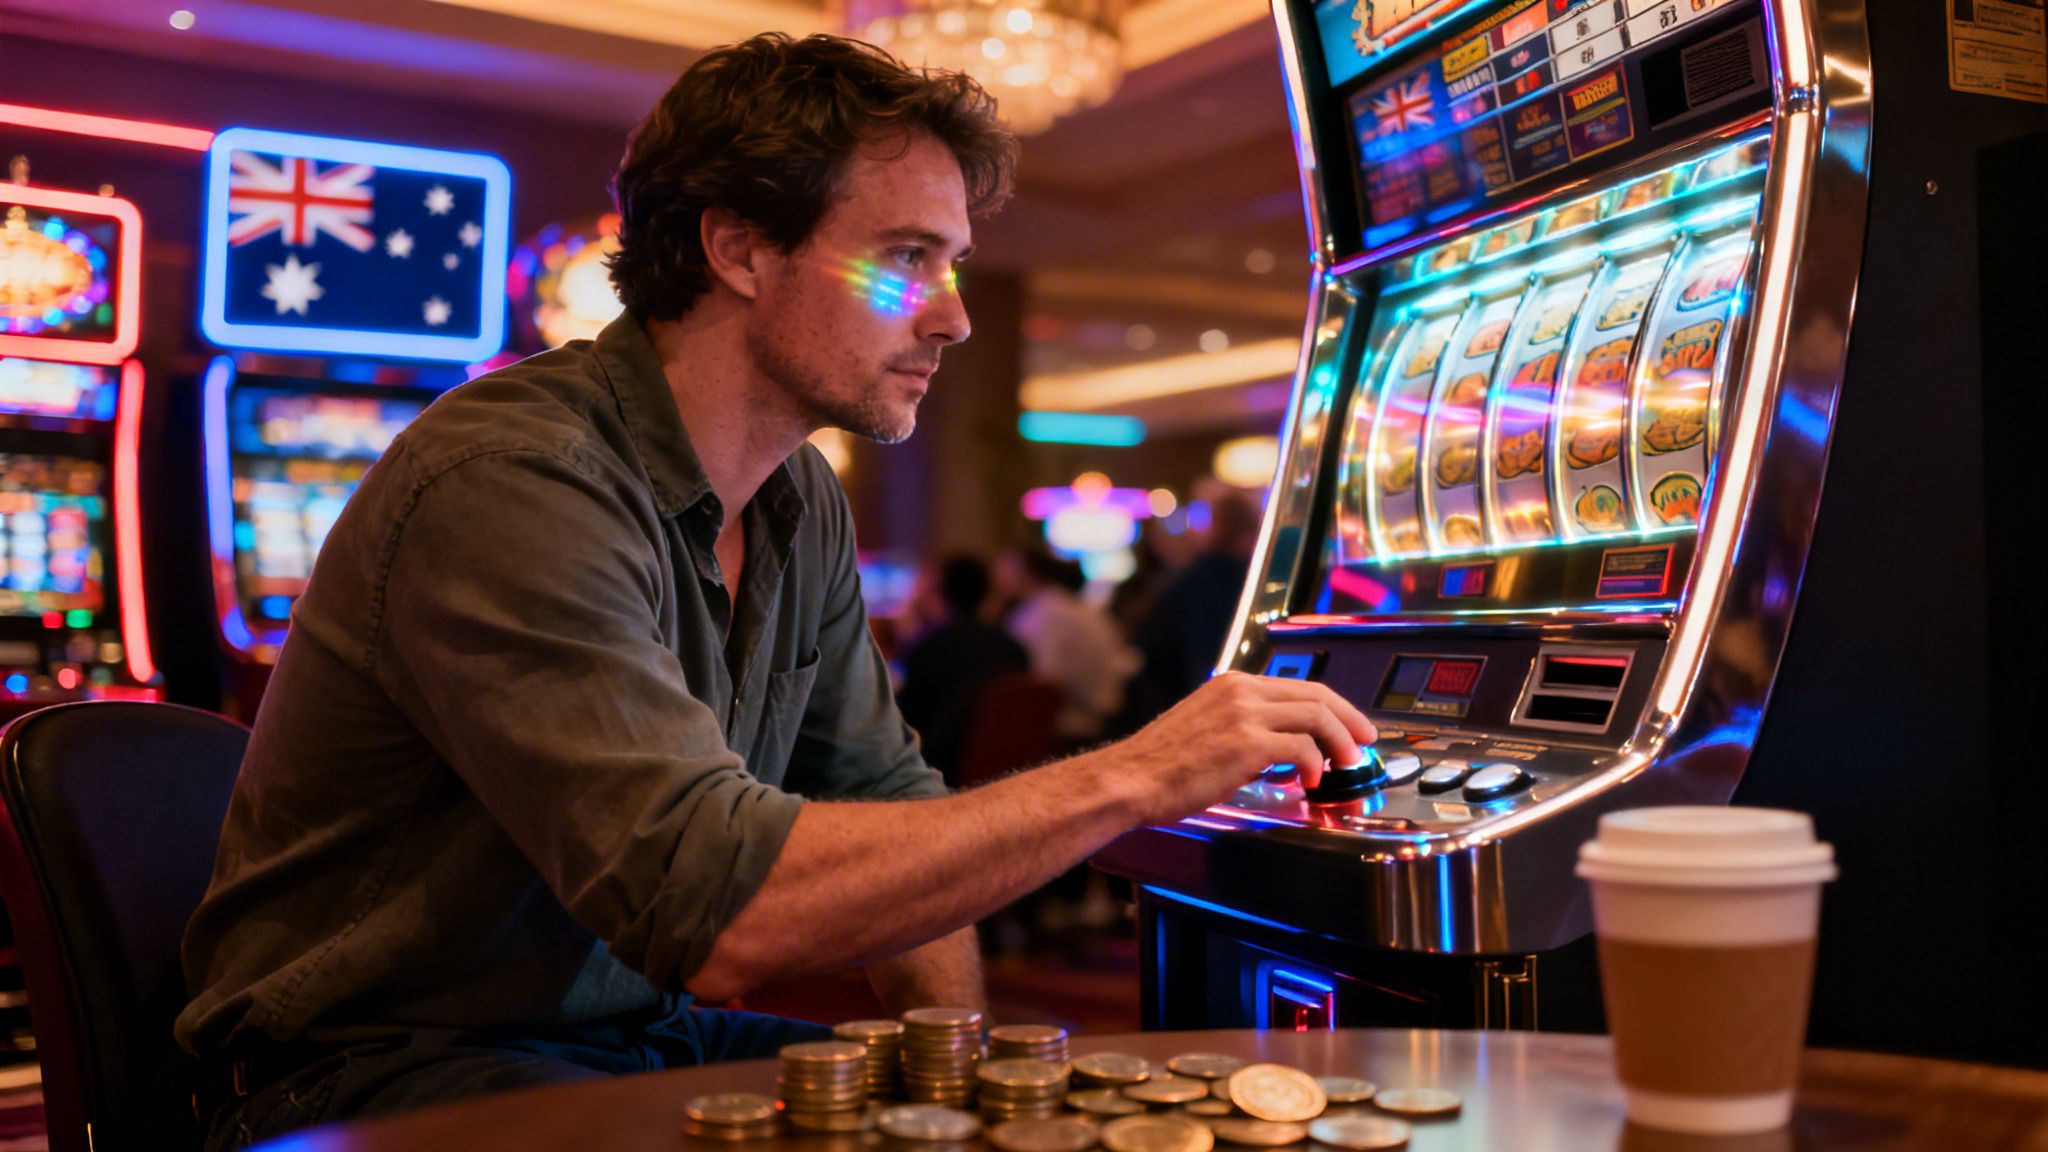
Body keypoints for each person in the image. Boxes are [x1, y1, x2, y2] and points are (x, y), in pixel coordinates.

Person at [177, 32, 1373, 1148]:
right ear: (739, 246)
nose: (952, 316)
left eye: (950, 264)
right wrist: (1137, 773)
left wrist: (956, 1086)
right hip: (365, 1072)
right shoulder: (511, 481)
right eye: (908, 259)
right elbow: (716, 913)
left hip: (616, 1033)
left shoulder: (796, 501)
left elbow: (886, 798)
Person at [1119, 488, 1266, 731]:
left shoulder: (1196, 581)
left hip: (1187, 713)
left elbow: (1152, 648)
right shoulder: (1262, 582)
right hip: (1245, 709)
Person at [895, 554, 1028, 784]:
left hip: (936, 770)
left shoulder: (929, 648)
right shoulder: (1013, 648)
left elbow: (901, 721)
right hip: (1005, 771)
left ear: (939, 594)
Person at [998, 546, 1138, 746]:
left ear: (1025, 573)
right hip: (1102, 721)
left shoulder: (1042, 614)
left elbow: (1042, 682)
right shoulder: (1071, 607)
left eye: (1005, 569)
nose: (999, 578)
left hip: (1072, 732)